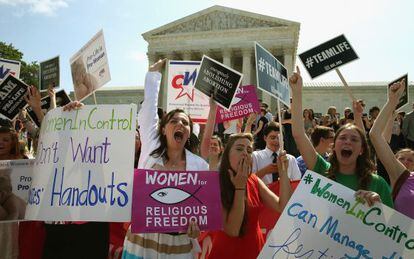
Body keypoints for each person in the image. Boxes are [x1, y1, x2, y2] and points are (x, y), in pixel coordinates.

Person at [122, 59, 207, 259]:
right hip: (142, 241)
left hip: (178, 245)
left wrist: (198, 228)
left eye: (185, 123)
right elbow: (149, 112)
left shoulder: (199, 166)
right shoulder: (151, 148)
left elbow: (202, 210)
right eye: (174, 121)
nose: (179, 124)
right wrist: (152, 76)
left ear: (188, 133)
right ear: (163, 128)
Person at [290, 66, 393, 208]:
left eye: (354, 139)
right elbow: (299, 134)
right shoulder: (321, 169)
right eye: (342, 138)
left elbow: (392, 226)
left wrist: (378, 207)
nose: (347, 142)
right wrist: (296, 93)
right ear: (334, 145)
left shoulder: (378, 184)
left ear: (362, 149)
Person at [207, 133, 292, 259]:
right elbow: (233, 230)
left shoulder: (253, 180)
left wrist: (283, 172)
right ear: (227, 154)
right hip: (227, 253)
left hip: (254, 251)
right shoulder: (215, 183)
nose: (245, 153)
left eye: (249, 150)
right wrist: (240, 187)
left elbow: (283, 207)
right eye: (239, 149)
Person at [369, 79, 414, 219]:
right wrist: (392, 101)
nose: (406, 162)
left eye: (410, 160)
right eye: (402, 158)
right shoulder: (405, 177)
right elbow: (375, 135)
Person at [0, 126, 22, 259]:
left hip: (9, 200)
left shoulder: (21, 161)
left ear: (13, 143)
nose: (0, 143)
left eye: (5, 140)